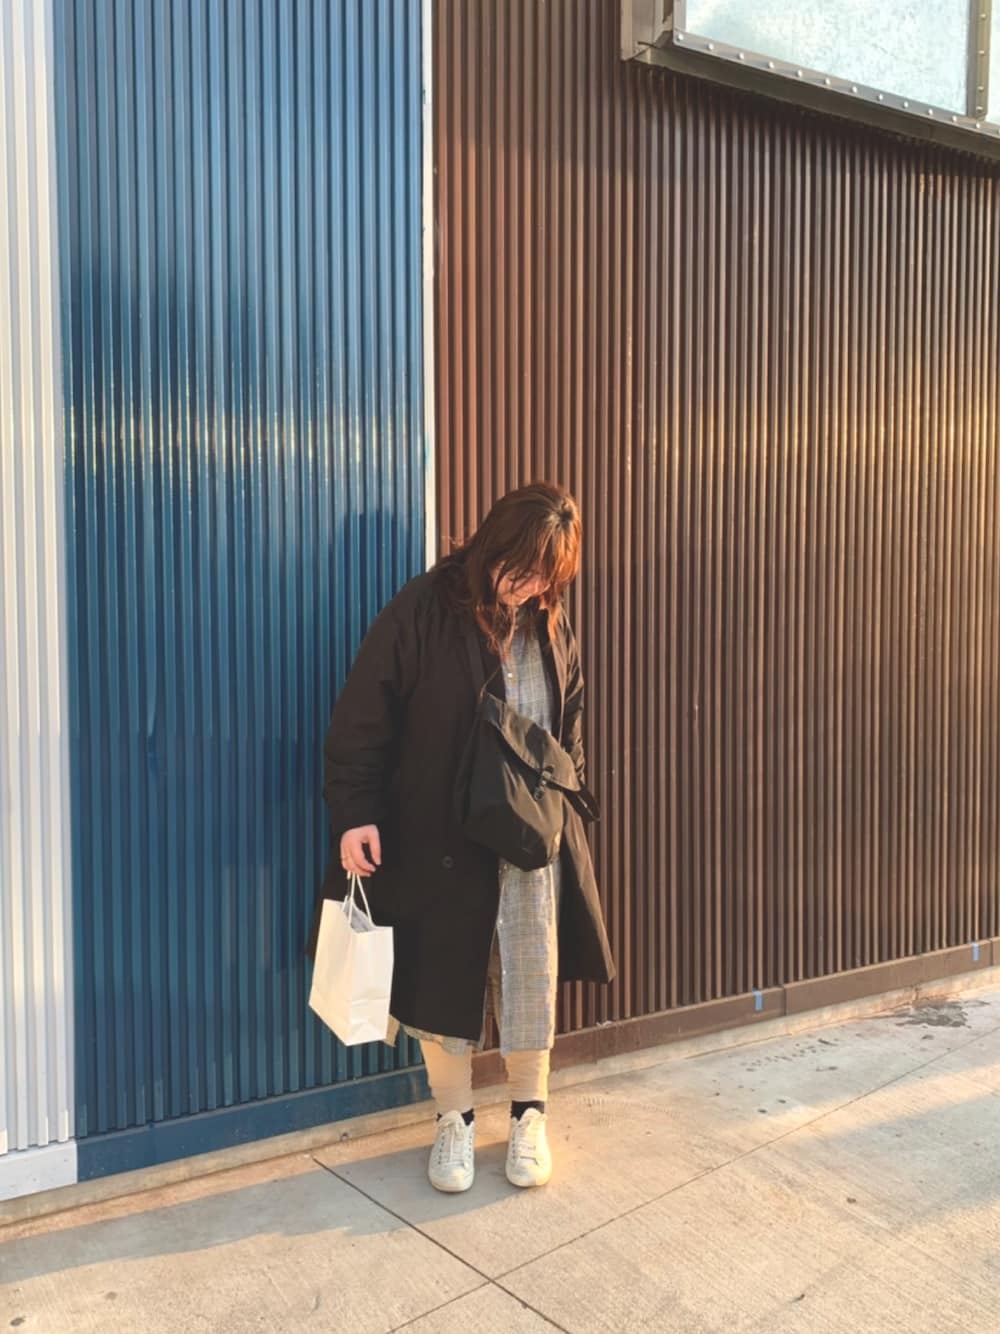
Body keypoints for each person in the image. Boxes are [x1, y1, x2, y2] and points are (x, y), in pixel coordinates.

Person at [305, 481, 615, 1192]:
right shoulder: (424, 609)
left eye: (544, 576)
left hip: (530, 843)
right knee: (444, 978)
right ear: (490, 543)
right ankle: (454, 1120)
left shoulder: (550, 622)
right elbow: (361, 721)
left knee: (531, 973)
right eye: (520, 567)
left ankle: (529, 1114)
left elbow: (569, 722)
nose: (527, 586)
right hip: (439, 836)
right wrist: (354, 814)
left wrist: (562, 800)